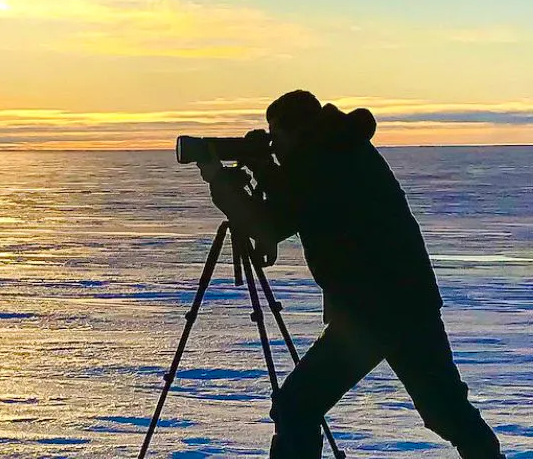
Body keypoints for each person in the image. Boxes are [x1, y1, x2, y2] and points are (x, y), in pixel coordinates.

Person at [202, 89, 504, 459]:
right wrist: (265, 168)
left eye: (276, 136)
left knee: (296, 405)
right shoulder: (340, 147)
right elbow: (305, 205)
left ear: (296, 132)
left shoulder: (319, 161)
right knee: (446, 410)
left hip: (372, 312)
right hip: (406, 303)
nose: (274, 145)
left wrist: (220, 180)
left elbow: (274, 221)